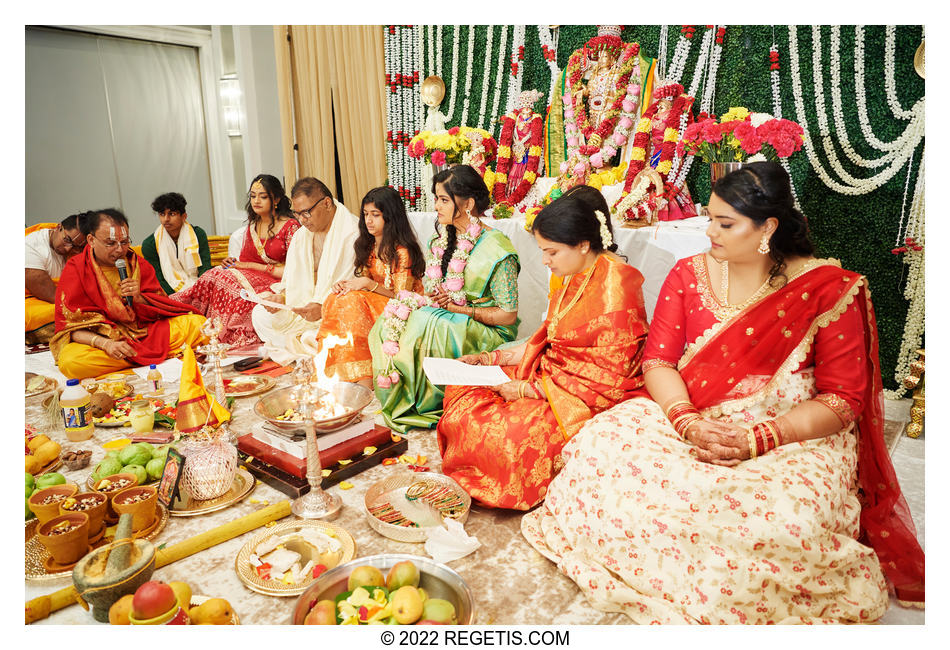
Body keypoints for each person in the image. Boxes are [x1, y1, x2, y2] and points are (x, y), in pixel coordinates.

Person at [522, 162, 926, 623]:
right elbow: (658, 363)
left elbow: (842, 400)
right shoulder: (689, 274)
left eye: (724, 223)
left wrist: (760, 438)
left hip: (789, 434)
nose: (709, 232)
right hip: (686, 413)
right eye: (709, 218)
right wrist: (686, 419)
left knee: (778, 524)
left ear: (768, 227)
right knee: (598, 455)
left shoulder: (829, 291)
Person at [437, 191, 649, 510]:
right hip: (550, 376)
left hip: (581, 397)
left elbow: (607, 377)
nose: (544, 261)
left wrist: (526, 389)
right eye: (542, 251)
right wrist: (489, 359)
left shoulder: (614, 290)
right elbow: (547, 337)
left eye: (550, 252)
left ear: (583, 245)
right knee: (465, 389)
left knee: (508, 435)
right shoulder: (574, 274)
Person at [368, 165, 520, 433]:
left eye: (444, 199)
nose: (436, 206)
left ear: (469, 203)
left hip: (487, 330)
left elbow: (507, 315)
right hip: (449, 315)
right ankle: (400, 397)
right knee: (391, 317)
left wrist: (461, 308)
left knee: (428, 324)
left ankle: (424, 403)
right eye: (436, 198)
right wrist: (439, 301)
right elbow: (432, 289)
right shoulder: (441, 239)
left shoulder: (497, 248)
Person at [51, 210, 207, 379]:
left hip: (144, 333)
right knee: (71, 362)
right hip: (105, 341)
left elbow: (161, 307)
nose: (119, 250)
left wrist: (140, 298)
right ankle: (146, 358)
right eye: (110, 243)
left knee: (199, 325)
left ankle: (130, 360)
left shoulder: (137, 264)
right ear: (91, 240)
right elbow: (70, 328)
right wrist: (105, 344)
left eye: (124, 242)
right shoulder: (76, 269)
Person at [312, 186, 425, 386]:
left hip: (404, 310)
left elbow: (403, 297)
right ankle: (337, 371)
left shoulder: (402, 252)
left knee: (353, 302)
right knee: (335, 299)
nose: (368, 221)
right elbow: (362, 284)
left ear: (390, 217)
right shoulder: (368, 246)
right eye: (365, 214)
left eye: (375, 215)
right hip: (374, 304)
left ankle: (364, 377)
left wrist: (368, 284)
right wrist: (344, 285)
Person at [171, 174, 299, 349]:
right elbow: (245, 261)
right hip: (250, 277)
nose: (256, 201)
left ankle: (220, 333)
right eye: (253, 196)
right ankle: (175, 310)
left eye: (263, 196)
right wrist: (233, 263)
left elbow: (295, 270)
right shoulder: (253, 225)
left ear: (276, 199)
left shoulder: (291, 226)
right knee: (214, 275)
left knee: (228, 284)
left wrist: (248, 266)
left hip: (278, 281)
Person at [251, 177, 360, 365]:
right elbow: (290, 282)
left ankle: (300, 346)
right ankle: (302, 347)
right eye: (297, 213)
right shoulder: (301, 236)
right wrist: (282, 298)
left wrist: (322, 308)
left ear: (327, 203)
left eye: (306, 213)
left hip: (334, 311)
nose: (301, 220)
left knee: (321, 333)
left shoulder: (352, 232)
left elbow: (350, 286)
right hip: (303, 311)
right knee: (259, 314)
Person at [25, 213, 89, 343]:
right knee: (46, 315)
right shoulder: (28, 248)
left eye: (77, 246)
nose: (68, 248)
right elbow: (52, 296)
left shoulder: (79, 248)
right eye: (67, 240)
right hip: (32, 300)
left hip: (65, 296)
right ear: (58, 227)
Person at [140, 192, 212, 295]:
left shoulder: (198, 235)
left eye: (172, 214)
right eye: (162, 214)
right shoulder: (150, 244)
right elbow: (159, 280)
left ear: (184, 216)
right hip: (170, 294)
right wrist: (179, 297)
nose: (166, 219)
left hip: (201, 289)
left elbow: (205, 269)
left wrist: (200, 292)